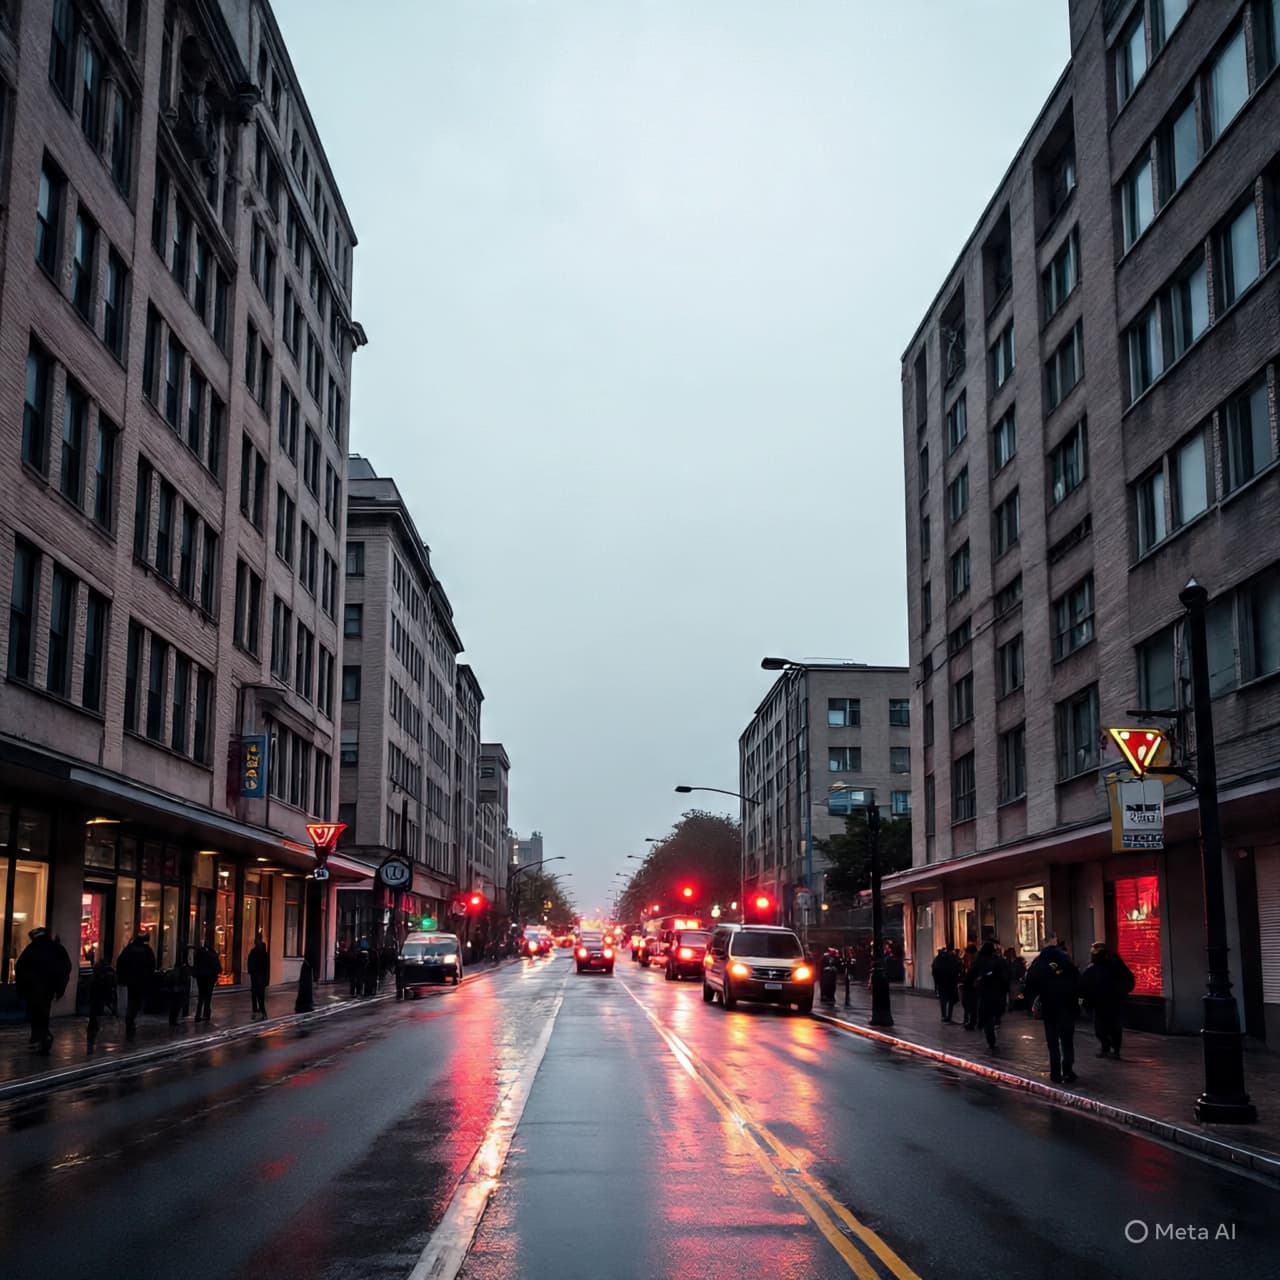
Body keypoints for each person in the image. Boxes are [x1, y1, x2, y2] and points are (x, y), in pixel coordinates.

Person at [1025, 937, 1081, 1083]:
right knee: (1067, 1041)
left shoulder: (1040, 964)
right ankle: (1068, 1070)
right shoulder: (1066, 964)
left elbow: (1030, 982)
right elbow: (1078, 983)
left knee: (1053, 1042)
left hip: (1049, 1008)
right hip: (1067, 1007)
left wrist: (1033, 999)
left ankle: (1055, 1072)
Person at [15, 926, 73, 1055]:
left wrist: (22, 986)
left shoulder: (31, 949)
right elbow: (66, 967)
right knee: (43, 1011)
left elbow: (20, 967)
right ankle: (43, 1036)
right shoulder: (57, 949)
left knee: (35, 1012)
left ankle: (39, 1036)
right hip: (49, 987)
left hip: (33, 988)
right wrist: (59, 986)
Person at [1080, 942, 1136, 1058]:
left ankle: (1113, 1049)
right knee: (1102, 1028)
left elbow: (1127, 981)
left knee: (1112, 1027)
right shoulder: (1094, 968)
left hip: (1111, 1002)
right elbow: (1084, 986)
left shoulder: (1115, 966)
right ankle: (1108, 1048)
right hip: (1101, 1003)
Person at [971, 940, 1013, 1051]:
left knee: (987, 1016)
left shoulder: (979, 960)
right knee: (994, 1014)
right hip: (997, 993)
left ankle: (990, 1038)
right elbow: (1005, 976)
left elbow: (972, 974)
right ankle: (993, 1028)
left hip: (985, 993)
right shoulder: (998, 961)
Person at [116, 930, 157, 1039]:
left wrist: (122, 977)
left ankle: (130, 1019)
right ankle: (131, 1019)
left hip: (131, 980)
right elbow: (152, 964)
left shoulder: (129, 949)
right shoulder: (146, 950)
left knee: (132, 999)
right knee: (136, 1001)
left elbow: (120, 962)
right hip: (141, 980)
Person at [86, 950, 116, 1051]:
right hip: (100, 998)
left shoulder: (96, 977)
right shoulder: (107, 975)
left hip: (96, 998)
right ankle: (94, 1031)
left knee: (94, 1014)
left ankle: (92, 1032)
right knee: (97, 1014)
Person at [192, 937, 221, 1022]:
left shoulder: (199, 953)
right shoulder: (212, 954)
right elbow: (217, 967)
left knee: (201, 996)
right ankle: (206, 1013)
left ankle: (198, 1014)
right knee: (208, 996)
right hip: (209, 978)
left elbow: (196, 965)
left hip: (201, 977)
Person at [931, 945, 962, 1023]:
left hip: (942, 981)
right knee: (951, 999)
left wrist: (936, 981)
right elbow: (958, 968)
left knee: (943, 999)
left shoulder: (938, 958)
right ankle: (949, 1016)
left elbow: (934, 969)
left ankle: (943, 1015)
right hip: (951, 981)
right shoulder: (953, 958)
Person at [247, 932, 270, 1018]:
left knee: (255, 994)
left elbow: (250, 964)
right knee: (260, 994)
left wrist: (251, 971)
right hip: (261, 976)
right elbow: (267, 967)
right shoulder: (264, 952)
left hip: (256, 976)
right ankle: (262, 1011)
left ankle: (256, 1011)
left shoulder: (255, 952)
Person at [958, 943, 979, 1030]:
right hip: (967, 985)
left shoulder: (976, 962)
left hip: (972, 986)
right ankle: (969, 1020)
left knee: (972, 1004)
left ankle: (972, 1021)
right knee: (967, 1003)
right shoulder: (967, 962)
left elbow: (973, 974)